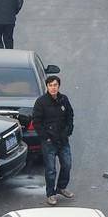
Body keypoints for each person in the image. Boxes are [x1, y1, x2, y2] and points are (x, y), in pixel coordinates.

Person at [31, 75, 74, 206]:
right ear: (47, 87)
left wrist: (68, 130)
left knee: (67, 165)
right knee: (50, 170)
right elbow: (36, 122)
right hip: (49, 142)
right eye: (50, 85)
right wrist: (46, 137)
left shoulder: (64, 99)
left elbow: (70, 115)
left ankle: (61, 187)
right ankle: (51, 194)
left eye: (55, 85)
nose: (53, 88)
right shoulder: (41, 102)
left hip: (63, 140)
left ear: (58, 86)